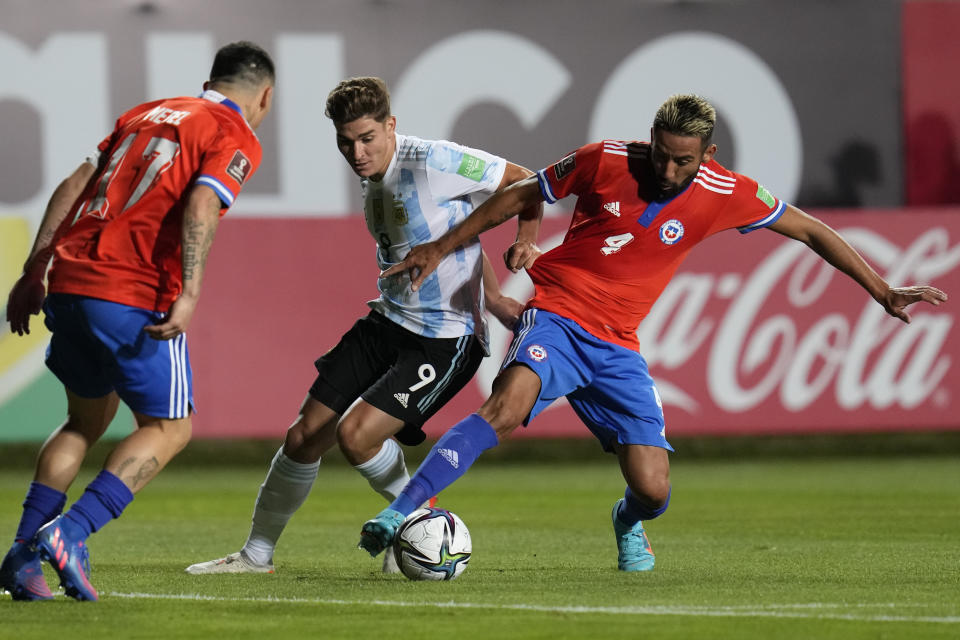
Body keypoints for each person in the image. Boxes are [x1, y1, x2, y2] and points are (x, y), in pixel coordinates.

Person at [358, 93, 949, 572]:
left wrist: (882, 288)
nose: (667, 170)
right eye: (661, 154)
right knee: (506, 408)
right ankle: (402, 513)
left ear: (708, 153)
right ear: (651, 138)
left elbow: (812, 230)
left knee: (654, 489)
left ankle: (627, 521)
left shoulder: (728, 193)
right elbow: (519, 193)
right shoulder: (603, 159)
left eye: (682, 161)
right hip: (559, 315)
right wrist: (440, 247)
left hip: (619, 346)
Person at [184, 77, 540, 576]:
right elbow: (454, 229)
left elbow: (527, 182)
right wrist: (496, 294)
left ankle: (414, 525)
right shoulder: (373, 176)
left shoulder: (433, 161)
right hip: (388, 321)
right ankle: (256, 555)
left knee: (356, 437)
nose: (356, 151)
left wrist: (526, 243)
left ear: (391, 126)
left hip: (444, 340)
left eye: (367, 138)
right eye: (345, 141)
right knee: (304, 436)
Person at [0, 41, 275, 601]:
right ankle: (70, 534)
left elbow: (76, 184)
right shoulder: (234, 133)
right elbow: (202, 204)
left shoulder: (144, 114)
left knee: (83, 420)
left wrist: (36, 267)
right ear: (263, 96)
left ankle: (21, 559)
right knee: (172, 427)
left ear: (210, 78)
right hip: (132, 291)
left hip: (71, 281)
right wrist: (191, 292)